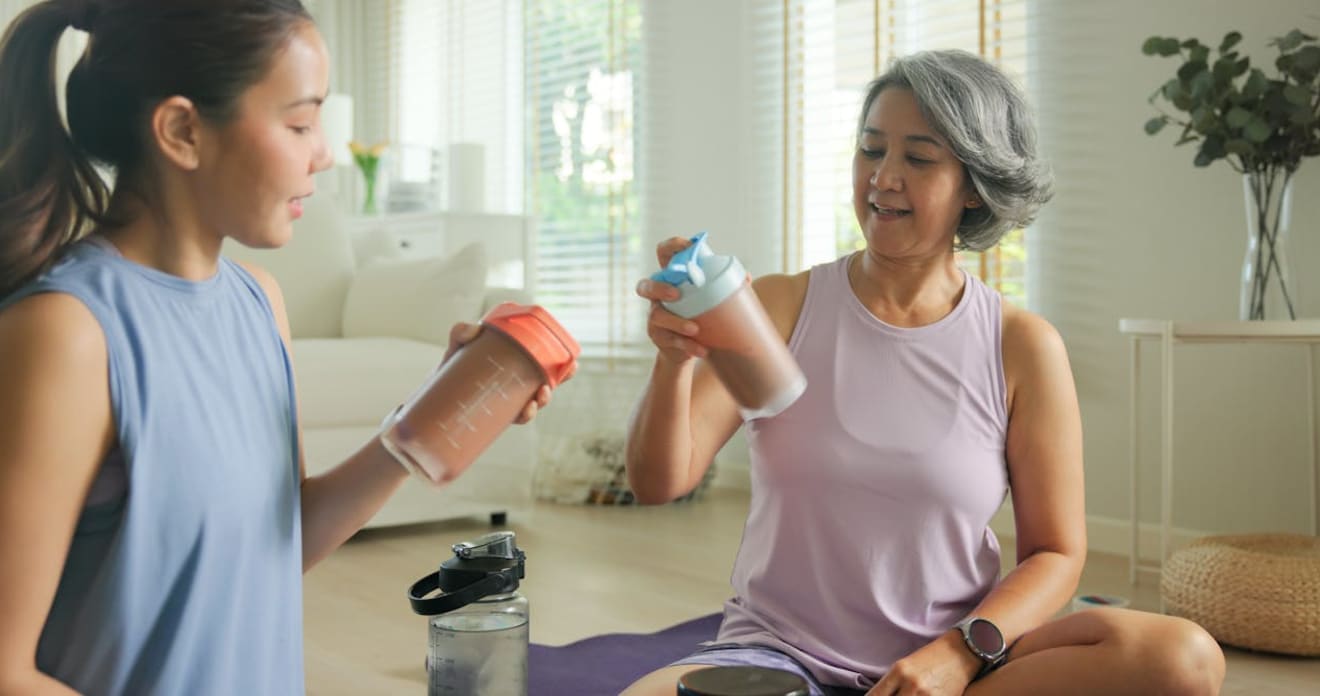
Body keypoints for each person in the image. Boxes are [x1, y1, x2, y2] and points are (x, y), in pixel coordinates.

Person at [623, 50, 1225, 696]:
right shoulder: (777, 307)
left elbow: (1056, 553)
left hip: (958, 668)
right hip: (782, 658)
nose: (883, 177)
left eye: (918, 158)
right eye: (871, 149)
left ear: (974, 185)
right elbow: (659, 482)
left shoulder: (1022, 346)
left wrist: (956, 656)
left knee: (1184, 658)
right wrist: (674, 362)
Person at [0, 2, 553, 694]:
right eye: (299, 124)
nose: (324, 153)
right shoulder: (67, 331)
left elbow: (280, 540)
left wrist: (433, 416)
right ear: (182, 131)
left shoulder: (260, 302)